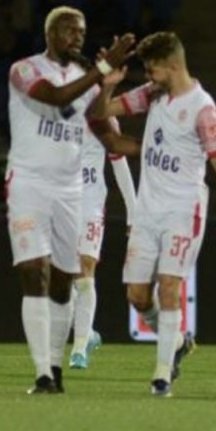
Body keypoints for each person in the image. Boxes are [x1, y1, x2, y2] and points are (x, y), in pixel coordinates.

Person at [89, 31, 216, 397]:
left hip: (183, 210)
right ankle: (176, 340)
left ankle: (161, 375)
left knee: (171, 286)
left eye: (152, 69)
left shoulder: (203, 110)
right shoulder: (152, 94)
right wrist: (107, 86)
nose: (148, 76)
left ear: (172, 66)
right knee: (138, 296)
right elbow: (100, 113)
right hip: (148, 210)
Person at [6, 6, 134, 394]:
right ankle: (42, 373)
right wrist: (101, 71)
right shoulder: (24, 69)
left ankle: (56, 368)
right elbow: (55, 98)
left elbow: (108, 137)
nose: (76, 37)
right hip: (28, 184)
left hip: (71, 192)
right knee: (34, 273)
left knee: (64, 284)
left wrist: (162, 147)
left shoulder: (88, 81)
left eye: (81, 31)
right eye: (68, 30)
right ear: (49, 33)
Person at [68, 124, 137, 369]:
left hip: (91, 204)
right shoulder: (55, 110)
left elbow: (119, 162)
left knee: (85, 271)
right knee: (63, 278)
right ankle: (87, 333)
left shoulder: (102, 117)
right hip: (62, 201)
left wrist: (133, 212)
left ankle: (78, 348)